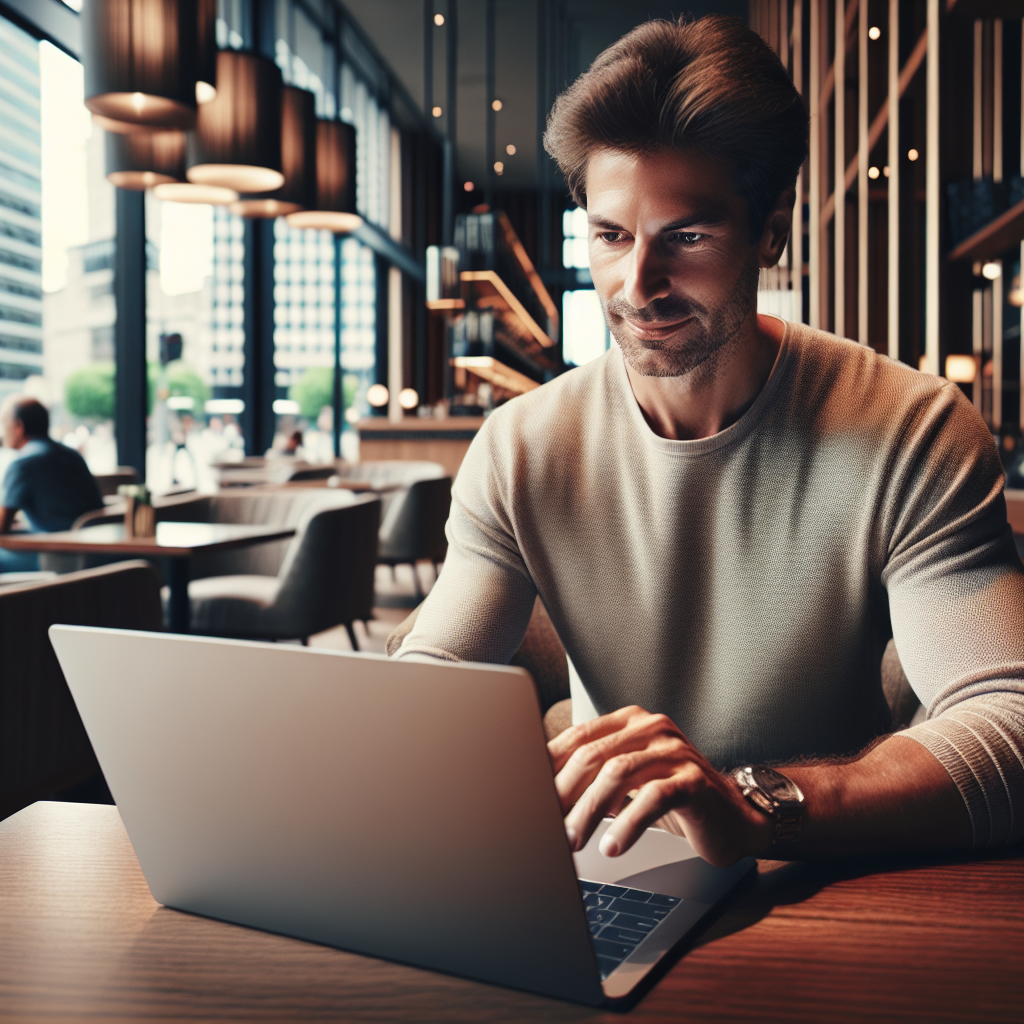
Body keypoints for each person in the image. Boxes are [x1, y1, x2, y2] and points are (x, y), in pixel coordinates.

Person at [395, 16, 1024, 864]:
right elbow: (431, 672)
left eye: (686, 237)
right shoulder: (519, 448)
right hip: (608, 867)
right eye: (611, 237)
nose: (637, 284)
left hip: (835, 879)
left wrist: (759, 805)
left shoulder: (912, 428)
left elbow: (1012, 725)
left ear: (771, 230)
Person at [0, 395, 104, 572]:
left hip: (56, 557)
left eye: (4, 425)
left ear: (19, 427)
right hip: (94, 555)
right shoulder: (72, 455)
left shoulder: (23, 463)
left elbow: (2, 526)